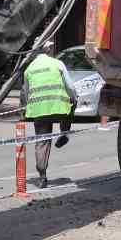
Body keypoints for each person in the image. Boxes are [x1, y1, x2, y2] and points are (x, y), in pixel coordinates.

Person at [21, 41, 75, 188]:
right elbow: (70, 86)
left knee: (42, 141)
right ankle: (64, 133)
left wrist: (27, 107)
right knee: (72, 103)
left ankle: (42, 176)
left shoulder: (29, 69)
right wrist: (73, 98)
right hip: (59, 106)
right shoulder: (58, 64)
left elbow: (25, 92)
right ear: (49, 49)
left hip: (39, 110)